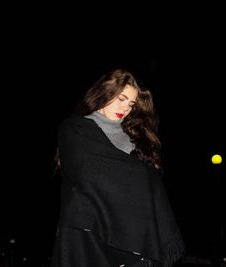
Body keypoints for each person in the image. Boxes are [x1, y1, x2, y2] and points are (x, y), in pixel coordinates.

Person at [50, 68, 185, 267]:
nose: (126, 108)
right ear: (105, 92)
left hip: (136, 238)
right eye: (121, 98)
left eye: (131, 104)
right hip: (88, 236)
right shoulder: (75, 129)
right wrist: (143, 175)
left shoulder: (136, 139)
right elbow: (90, 174)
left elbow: (148, 186)